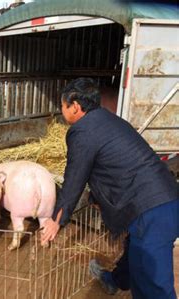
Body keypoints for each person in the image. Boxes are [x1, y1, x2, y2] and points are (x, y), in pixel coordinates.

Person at [40, 78, 178, 298]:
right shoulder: (109, 120)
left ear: (75, 106)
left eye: (63, 106)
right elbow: (109, 166)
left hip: (151, 209)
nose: (62, 111)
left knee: (153, 286)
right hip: (166, 199)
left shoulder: (82, 131)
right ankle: (115, 280)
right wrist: (97, 198)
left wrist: (58, 219)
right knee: (135, 249)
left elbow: (75, 177)